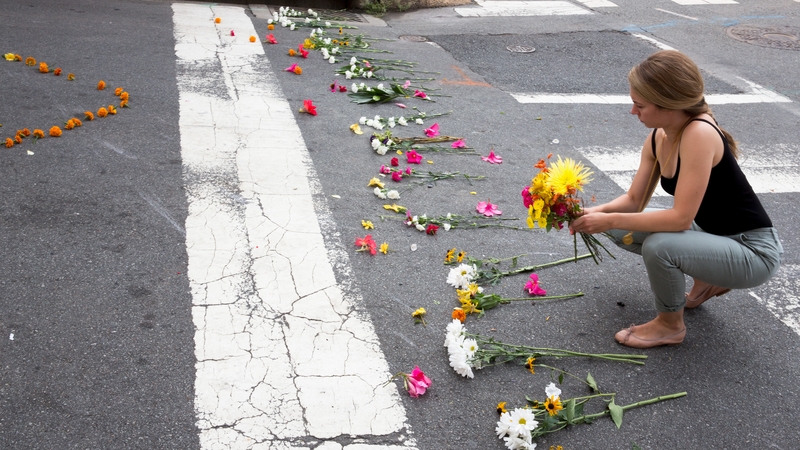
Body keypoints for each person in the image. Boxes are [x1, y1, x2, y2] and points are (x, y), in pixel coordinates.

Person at [568, 50, 783, 349]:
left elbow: (680, 218)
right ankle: (706, 278)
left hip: (753, 251)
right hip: (713, 235)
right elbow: (634, 200)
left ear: (669, 104)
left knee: (659, 246)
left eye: (639, 105)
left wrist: (609, 218)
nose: (633, 111)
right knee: (616, 229)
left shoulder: (699, 133)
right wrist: (591, 213)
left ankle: (670, 325)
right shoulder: (659, 135)